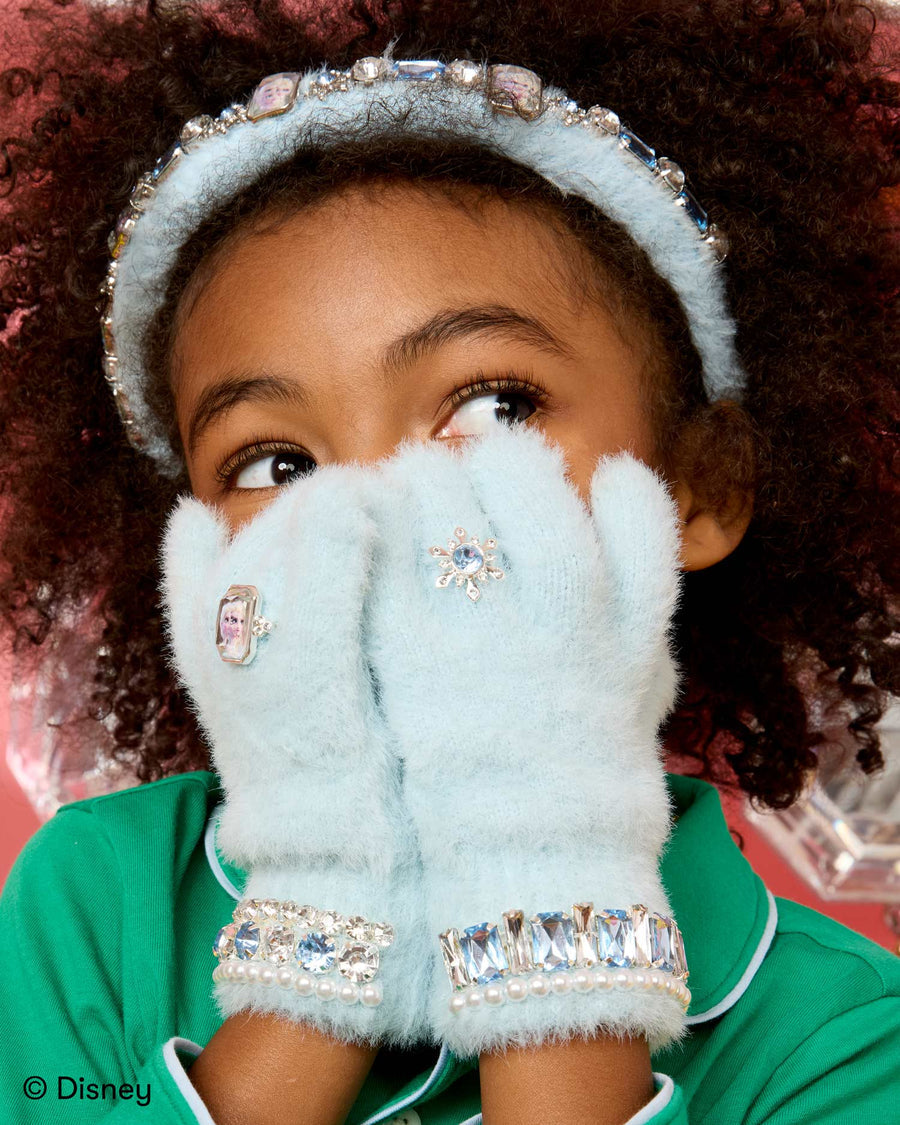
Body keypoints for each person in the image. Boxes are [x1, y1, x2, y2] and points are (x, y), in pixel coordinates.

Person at [0, 0, 898, 1122]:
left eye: (493, 405)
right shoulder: (93, 899)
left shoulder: (850, 1035)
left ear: (698, 489)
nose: (373, 516)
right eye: (277, 463)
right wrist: (328, 890)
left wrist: (544, 854)